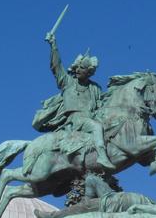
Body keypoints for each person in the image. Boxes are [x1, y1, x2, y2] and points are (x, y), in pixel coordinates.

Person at [40, 32, 114, 170]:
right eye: (78, 67)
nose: (78, 70)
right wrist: (53, 46)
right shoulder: (67, 82)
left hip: (93, 118)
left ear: (89, 72)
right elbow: (56, 66)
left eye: (82, 68)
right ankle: (102, 157)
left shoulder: (95, 88)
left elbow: (101, 105)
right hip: (76, 120)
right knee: (96, 127)